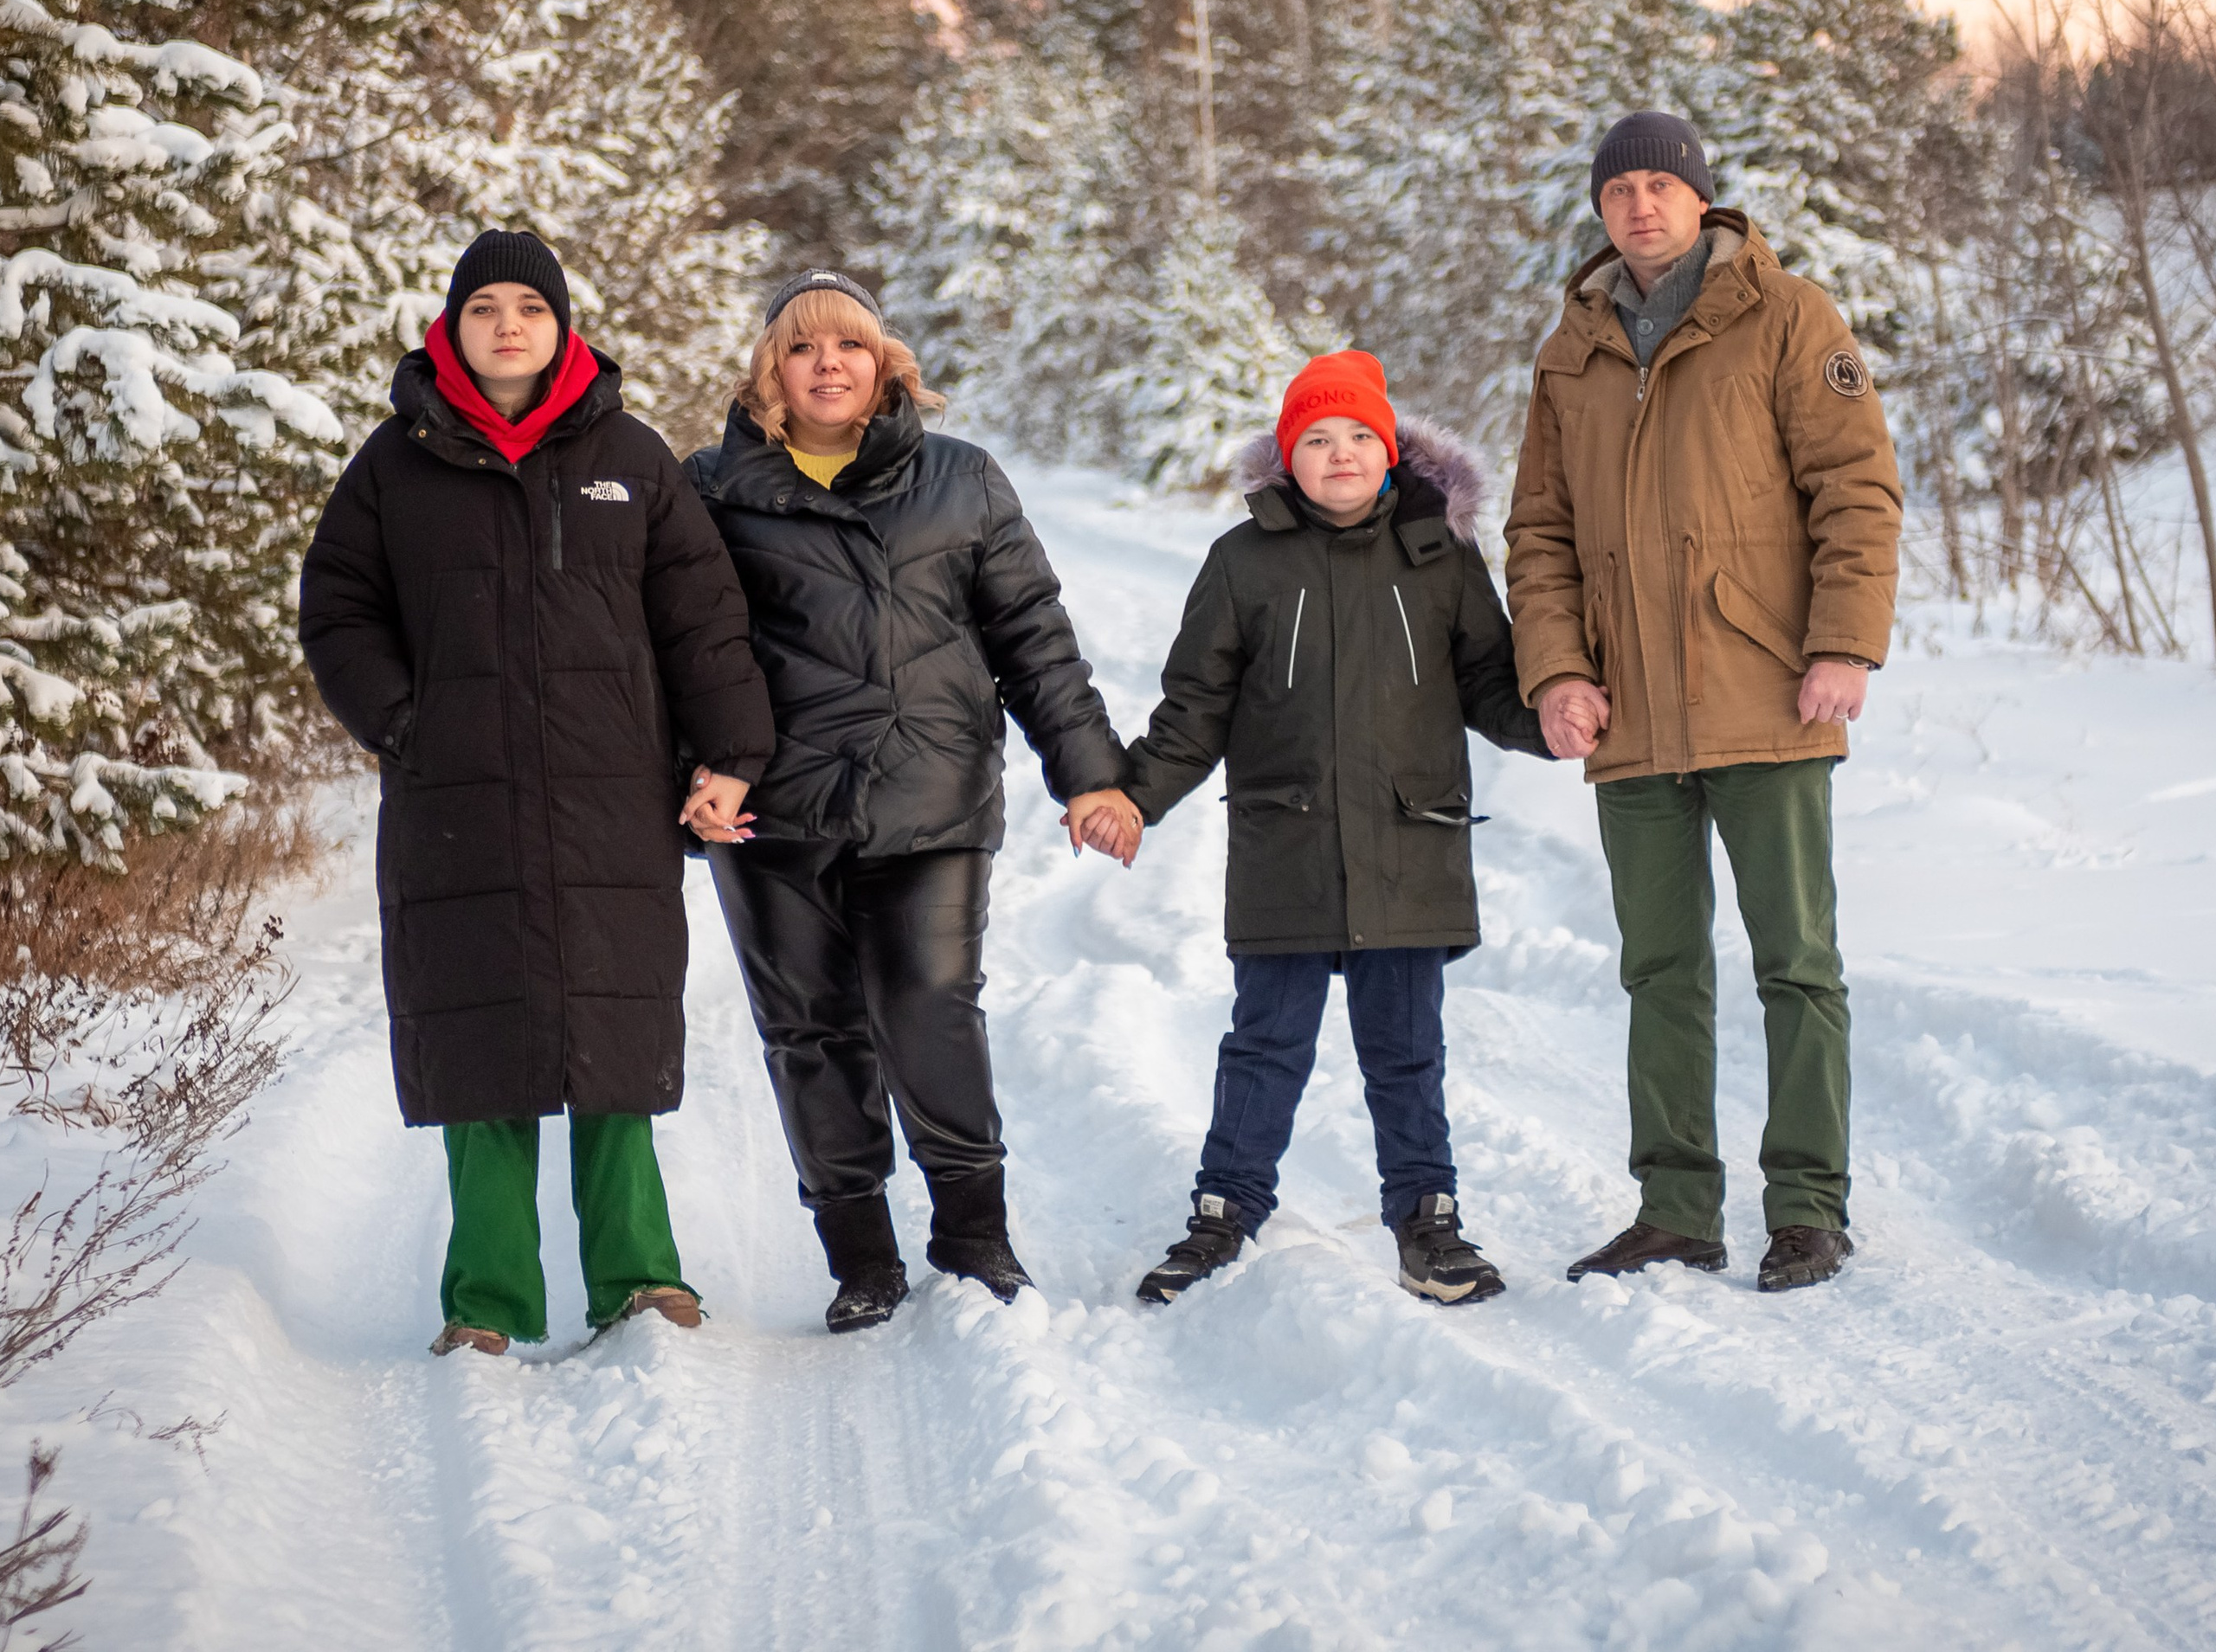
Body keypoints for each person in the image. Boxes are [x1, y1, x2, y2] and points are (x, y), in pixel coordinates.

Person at [300, 230, 774, 1356]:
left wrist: (732, 752)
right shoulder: (393, 464)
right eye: (484, 307)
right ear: (450, 327)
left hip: (614, 791)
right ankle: (488, 1303)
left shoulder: (633, 458)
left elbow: (702, 620)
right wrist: (407, 725)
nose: (508, 324)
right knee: (482, 1047)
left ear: (564, 326)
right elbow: (339, 611)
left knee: (613, 1038)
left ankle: (641, 1279)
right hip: (457, 796)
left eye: (530, 305)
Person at [686, 269, 1141, 1334]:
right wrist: (687, 775)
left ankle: (974, 1236)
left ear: (886, 363)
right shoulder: (706, 488)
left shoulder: (962, 481)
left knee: (930, 1011)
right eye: (802, 348)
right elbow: (674, 649)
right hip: (773, 812)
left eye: (848, 344)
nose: (827, 364)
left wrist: (1089, 774)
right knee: (809, 1031)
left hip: (927, 795)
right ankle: (861, 1259)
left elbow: (1034, 637)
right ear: (770, 372)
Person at [1504, 111, 1903, 1293]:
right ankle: (1675, 1208)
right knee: (1660, 969)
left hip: (1767, 697)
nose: (1640, 205)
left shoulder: (1786, 316)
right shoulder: (1569, 351)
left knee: (1797, 963)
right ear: (1600, 207)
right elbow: (1539, 535)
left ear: (1701, 197)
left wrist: (1843, 645)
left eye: (1660, 185)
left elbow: (1857, 491)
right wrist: (1559, 670)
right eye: (1619, 188)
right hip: (1631, 719)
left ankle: (1808, 1209)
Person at [1118, 350, 1551, 1307]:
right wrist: (1132, 795)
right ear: (1286, 456)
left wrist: (1555, 720)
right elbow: (1194, 707)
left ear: (1391, 450)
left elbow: (1489, 681)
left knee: (1405, 1049)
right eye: (1317, 438)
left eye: (1359, 434)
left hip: (1409, 843)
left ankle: (1426, 1223)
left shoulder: (1439, 554)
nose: (1340, 453)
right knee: (1264, 1043)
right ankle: (1222, 1214)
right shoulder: (1243, 561)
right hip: (1288, 847)